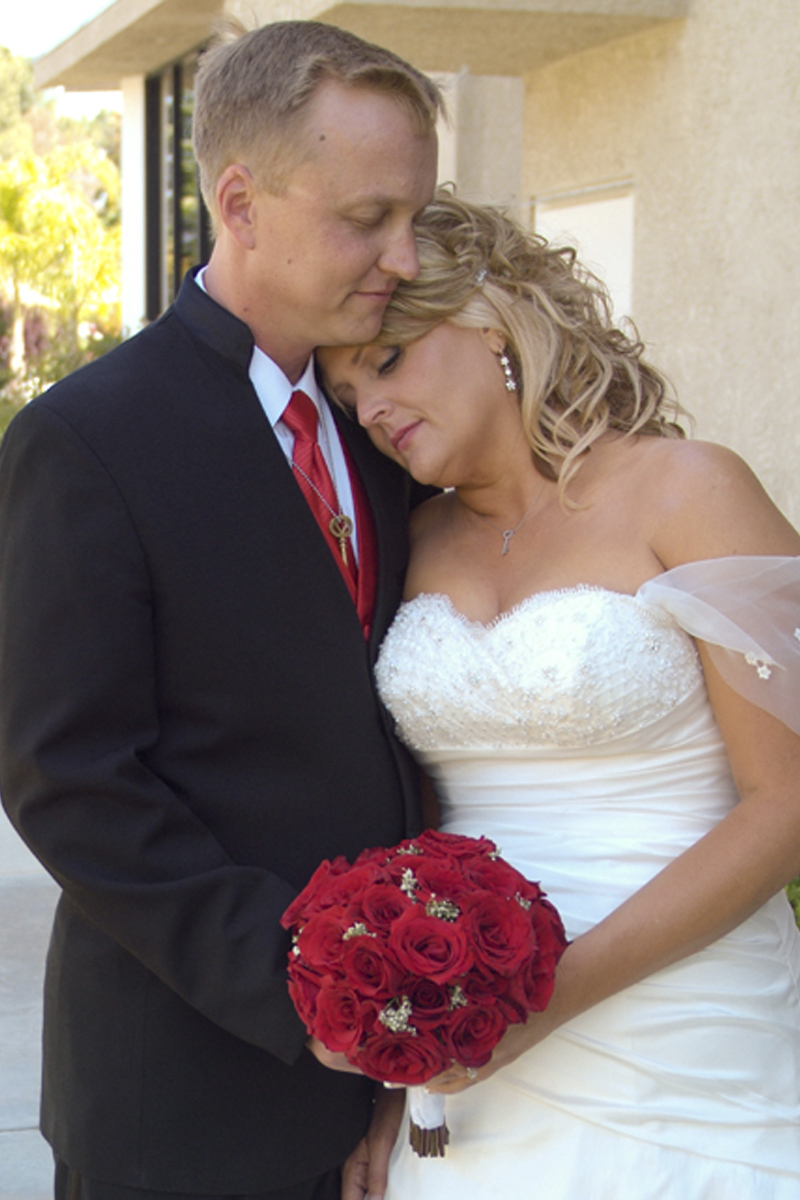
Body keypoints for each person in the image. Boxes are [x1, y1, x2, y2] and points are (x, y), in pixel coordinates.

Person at [0, 20, 442, 1200]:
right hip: (182, 1096)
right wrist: (307, 985)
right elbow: (68, 776)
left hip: (390, 1086)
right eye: (367, 218)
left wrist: (402, 1031)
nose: (403, 258)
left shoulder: (385, 423)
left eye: (416, 217)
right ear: (239, 203)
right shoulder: (86, 440)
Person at [318, 191, 800, 1199]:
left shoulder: (688, 489)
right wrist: (401, 1071)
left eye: (388, 360)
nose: (370, 410)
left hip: (686, 1037)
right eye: (347, 391)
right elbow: (419, 812)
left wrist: (545, 997)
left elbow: (787, 802)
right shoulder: (410, 542)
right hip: (470, 1061)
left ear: (491, 320)